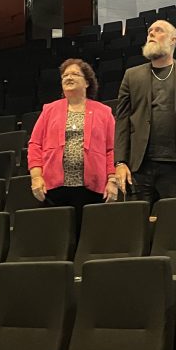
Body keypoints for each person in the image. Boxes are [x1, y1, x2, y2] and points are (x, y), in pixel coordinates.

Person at [114, 19, 176, 203]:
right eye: (149, 31)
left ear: (173, 39)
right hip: (138, 168)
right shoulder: (131, 75)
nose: (151, 34)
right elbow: (122, 121)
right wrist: (120, 162)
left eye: (158, 30)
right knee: (137, 226)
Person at [28, 59, 119, 226]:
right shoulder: (49, 110)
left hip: (92, 188)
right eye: (65, 75)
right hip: (54, 188)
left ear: (87, 82)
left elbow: (112, 149)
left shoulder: (104, 112)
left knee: (87, 234)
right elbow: (35, 145)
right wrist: (36, 177)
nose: (68, 77)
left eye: (75, 74)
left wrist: (112, 180)